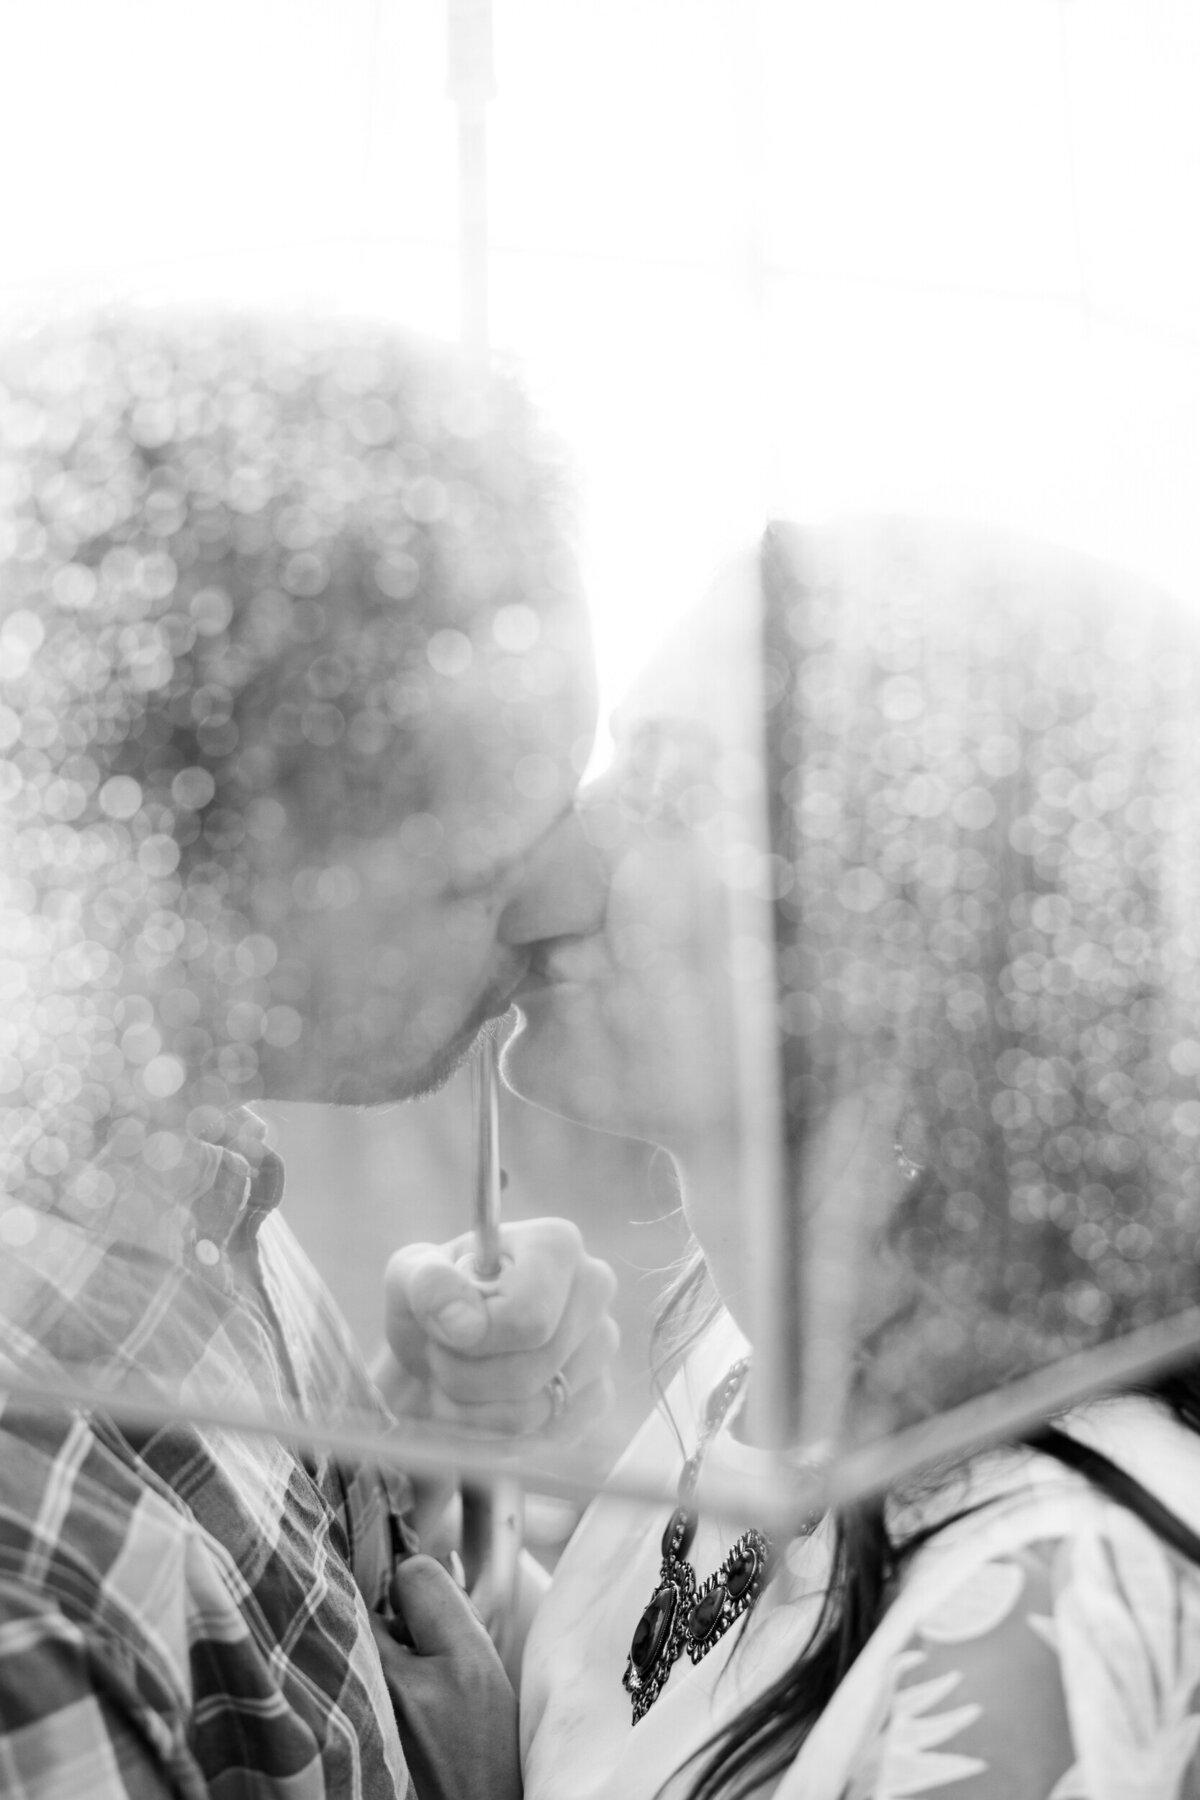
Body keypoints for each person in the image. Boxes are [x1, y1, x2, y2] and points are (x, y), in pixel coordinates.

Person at [390, 516, 1200, 1798]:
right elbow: (630, 1736)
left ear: (910, 932)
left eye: (673, 788)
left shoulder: (1029, 1611)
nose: (556, 854)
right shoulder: (739, 1370)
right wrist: (459, 1470)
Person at [0, 309, 618, 1799]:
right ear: (203, 874)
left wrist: (418, 1453)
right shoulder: (38, 1595)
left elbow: (321, 1683)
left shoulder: (188, 1182)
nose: (571, 898)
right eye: (487, 862)